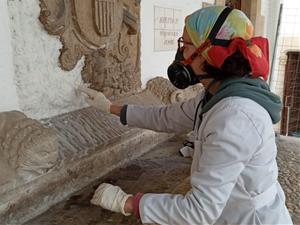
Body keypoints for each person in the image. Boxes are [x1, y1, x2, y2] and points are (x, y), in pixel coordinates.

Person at [78, 6, 293, 225]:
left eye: (187, 45)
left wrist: (127, 203)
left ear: (212, 52)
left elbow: (198, 212)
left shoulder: (235, 118)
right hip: (232, 211)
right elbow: (166, 117)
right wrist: (111, 108)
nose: (182, 54)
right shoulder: (216, 94)